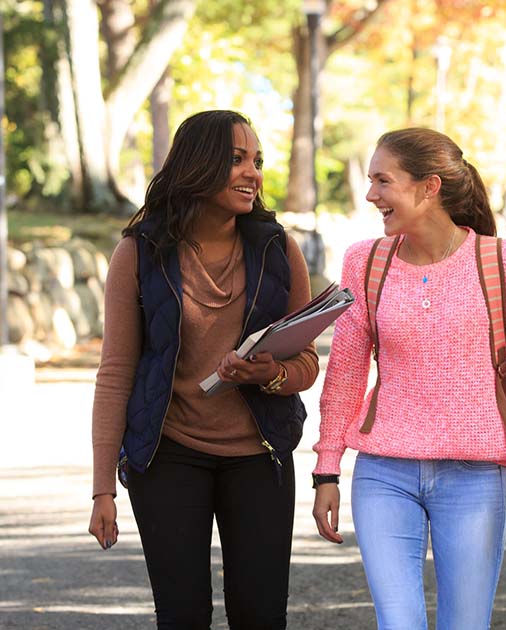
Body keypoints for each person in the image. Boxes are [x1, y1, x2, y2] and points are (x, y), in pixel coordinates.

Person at [312, 127, 506, 629]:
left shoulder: (504, 263)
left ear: (429, 187)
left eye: (384, 180)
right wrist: (327, 470)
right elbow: (347, 372)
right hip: (384, 473)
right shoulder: (366, 261)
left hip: (474, 477)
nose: (371, 194)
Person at [88, 110, 319, 630]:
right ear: (198, 164)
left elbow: (306, 363)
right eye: (237, 159)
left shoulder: (278, 249)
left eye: (256, 161)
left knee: (260, 616)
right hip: (168, 454)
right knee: (183, 616)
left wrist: (266, 375)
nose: (252, 173)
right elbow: (116, 372)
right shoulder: (138, 252)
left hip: (258, 456)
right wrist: (103, 487)